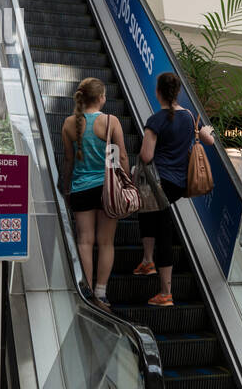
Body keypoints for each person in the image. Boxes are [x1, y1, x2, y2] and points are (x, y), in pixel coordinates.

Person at [134, 72, 215, 307]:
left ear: (158, 92)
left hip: (161, 184)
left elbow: (146, 155)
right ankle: (147, 261)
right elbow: (206, 140)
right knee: (147, 211)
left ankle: (166, 293)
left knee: (163, 231)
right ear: (177, 92)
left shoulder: (156, 120)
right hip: (180, 184)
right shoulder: (189, 116)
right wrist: (206, 133)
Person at [62, 77, 127, 310]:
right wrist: (125, 183)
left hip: (81, 188)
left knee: (85, 241)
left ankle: (86, 290)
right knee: (106, 242)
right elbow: (122, 158)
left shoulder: (69, 123)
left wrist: (66, 187)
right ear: (101, 98)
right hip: (107, 190)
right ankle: (102, 292)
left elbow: (69, 160)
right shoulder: (111, 121)